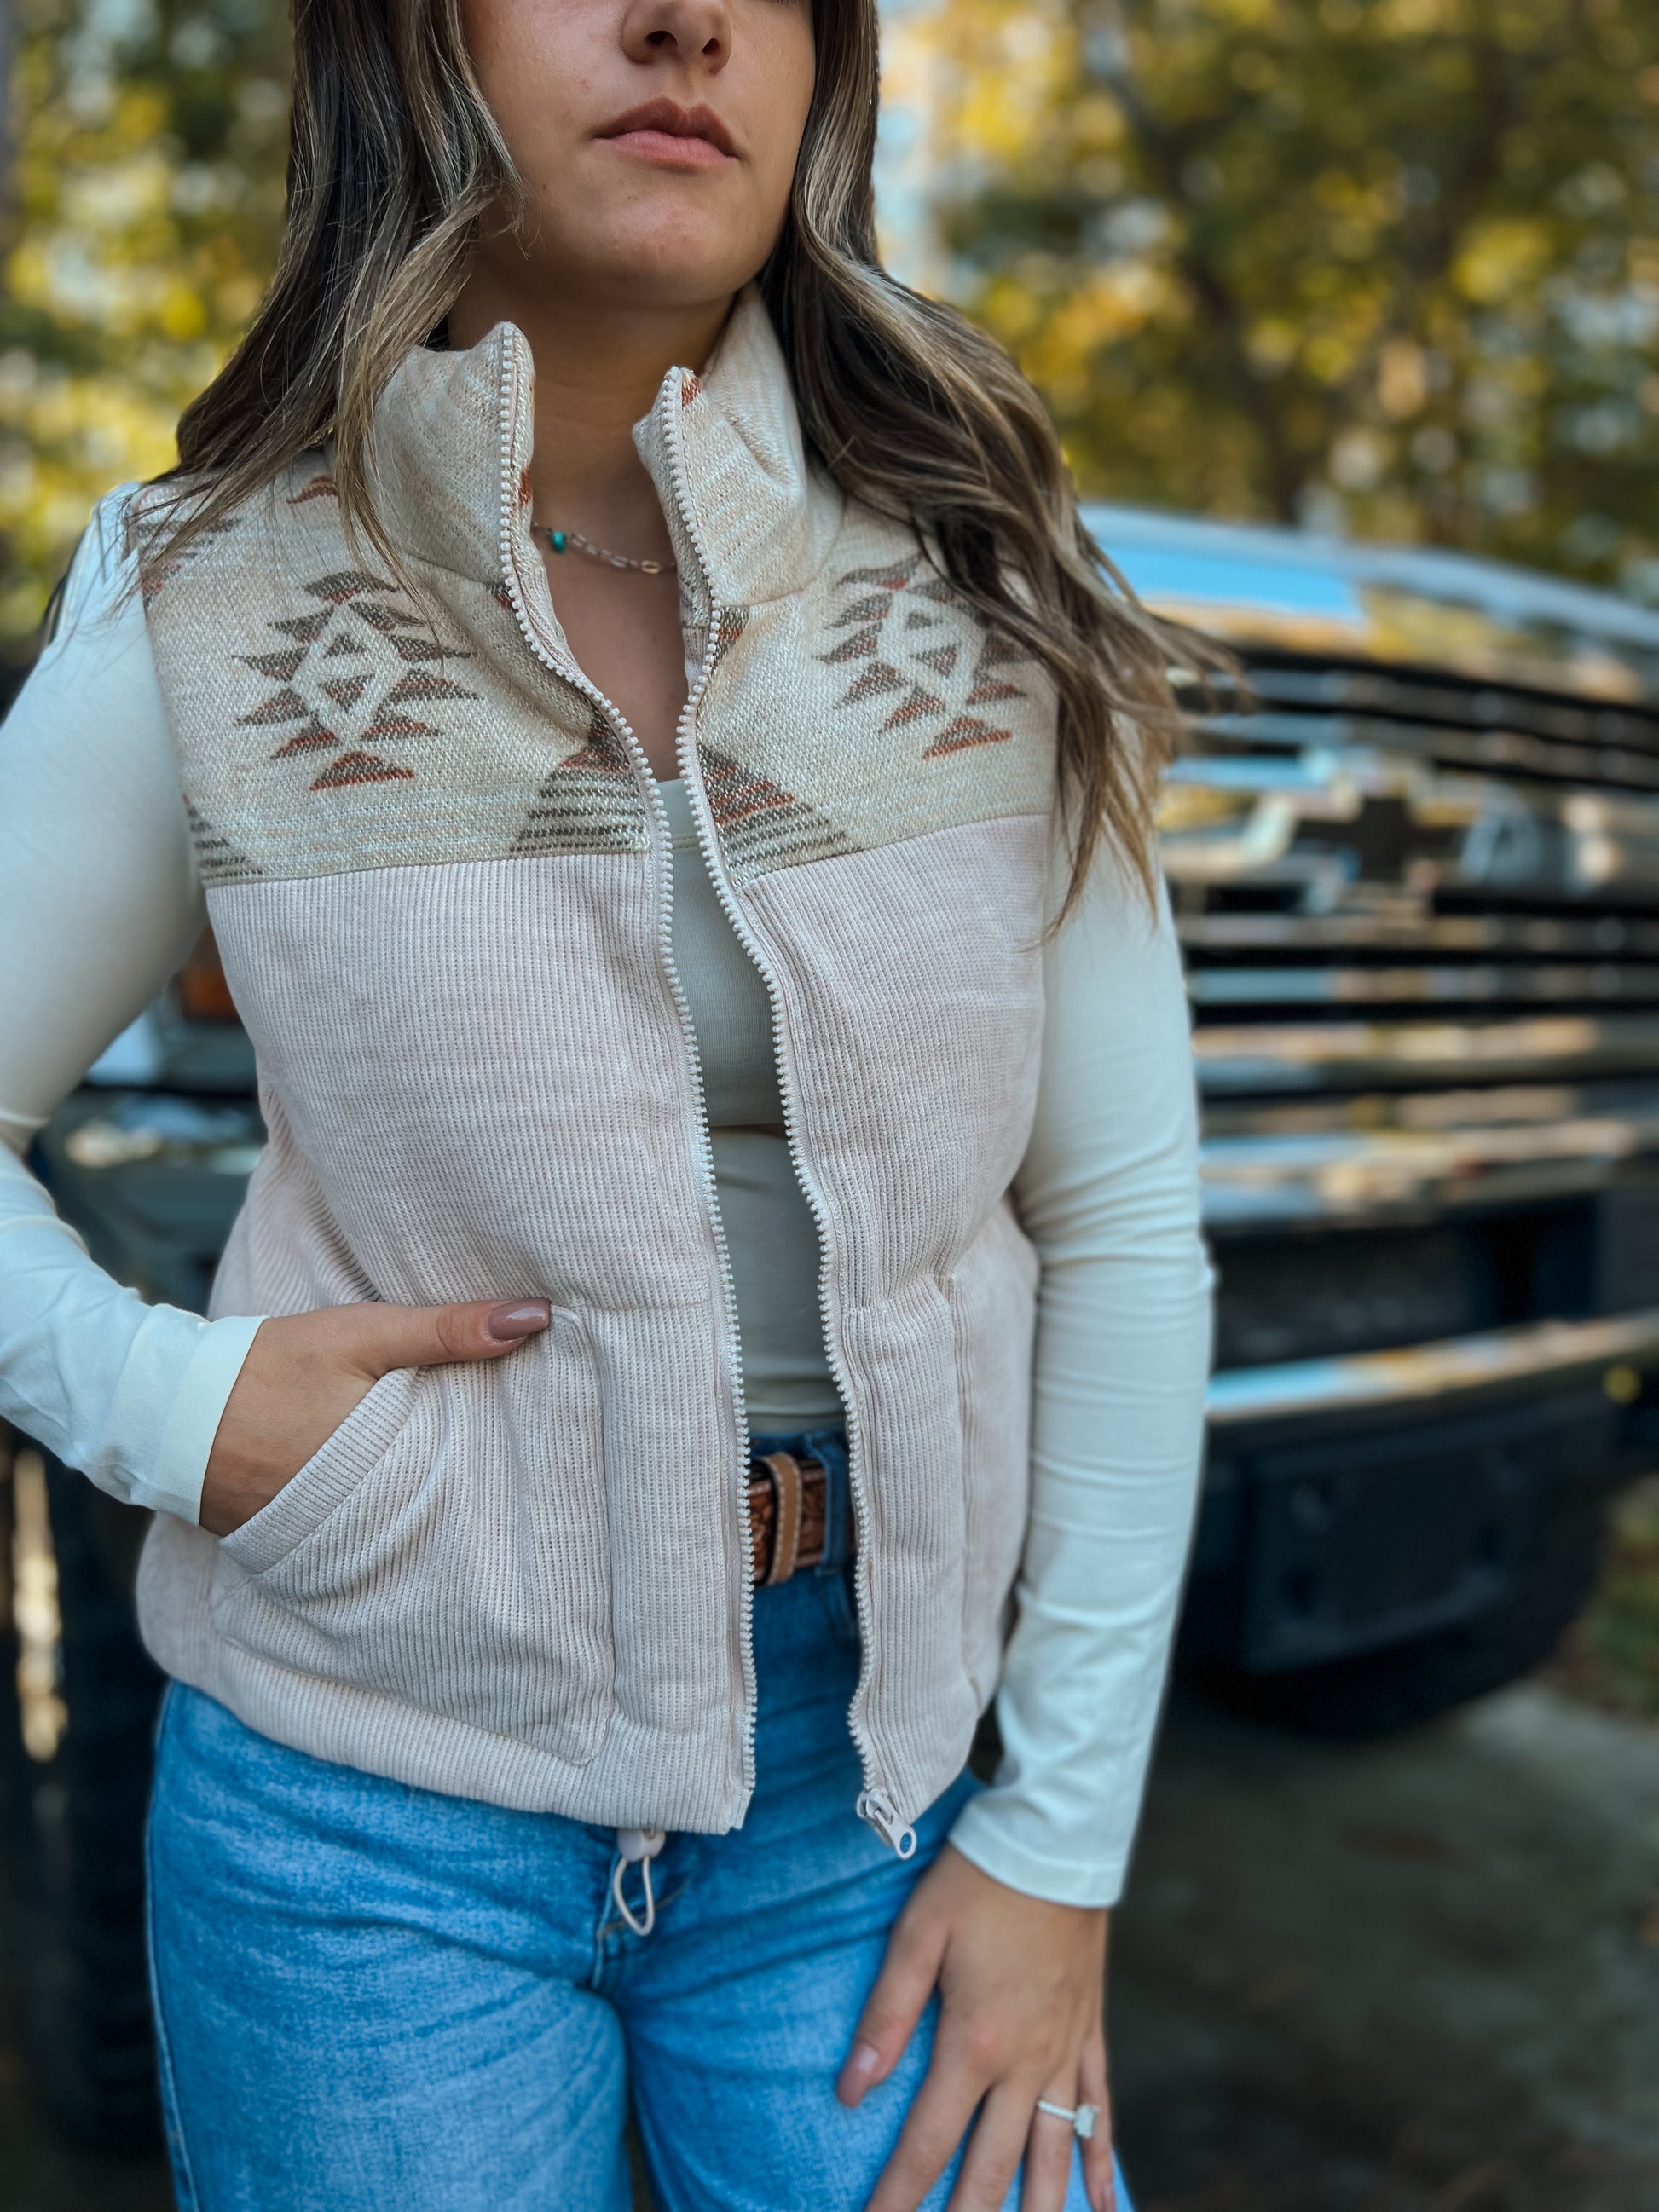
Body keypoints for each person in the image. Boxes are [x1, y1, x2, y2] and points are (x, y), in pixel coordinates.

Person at [0, 1, 1213, 2206]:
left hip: (875, 1782)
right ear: (407, 45)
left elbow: (1124, 1229)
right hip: (359, 1797)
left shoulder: (984, 575)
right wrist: (169, 1408)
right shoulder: (208, 588)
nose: (681, 20)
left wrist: (1056, 1851)